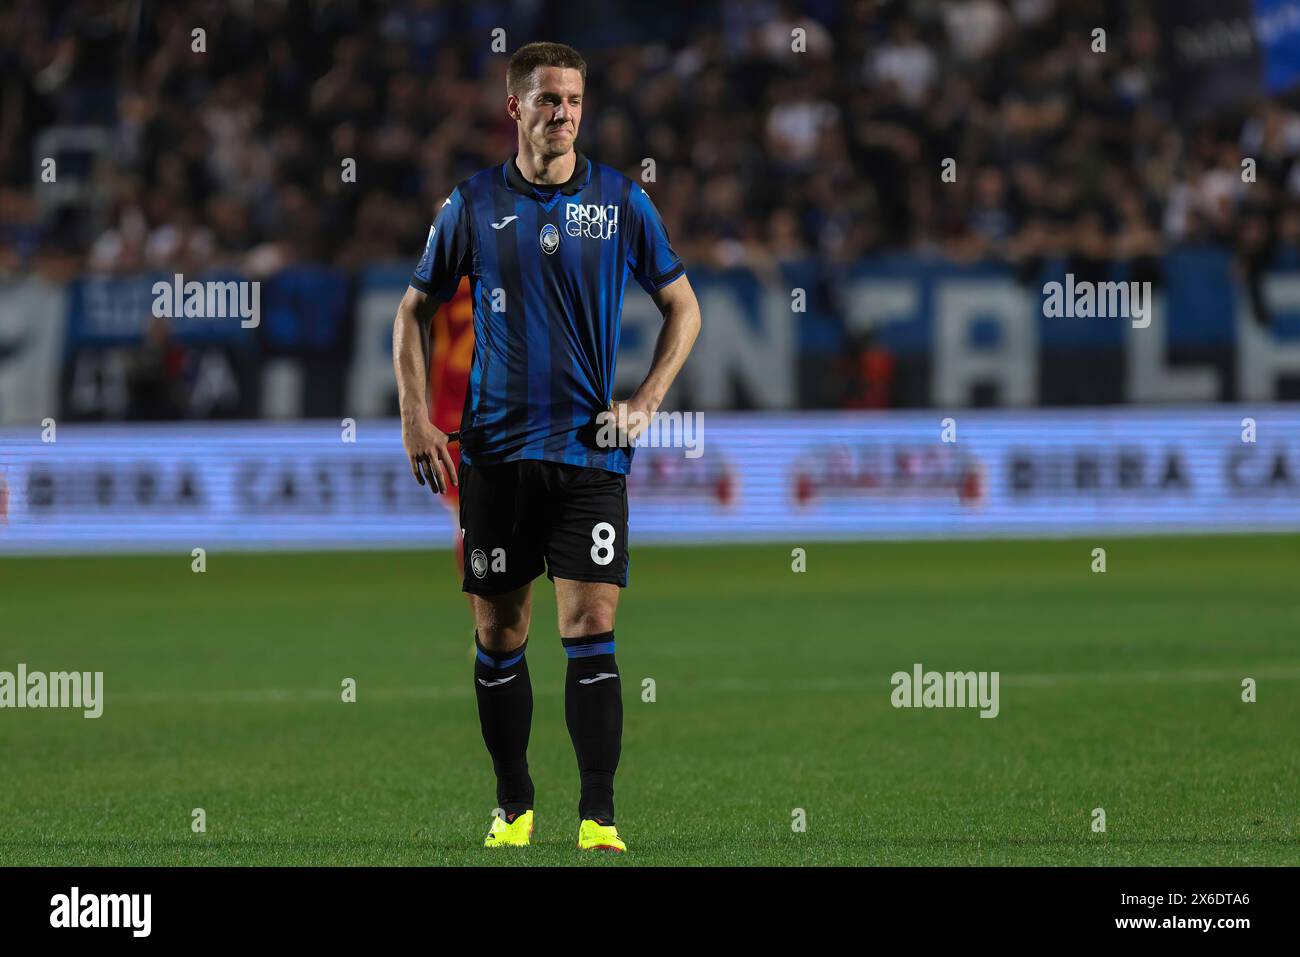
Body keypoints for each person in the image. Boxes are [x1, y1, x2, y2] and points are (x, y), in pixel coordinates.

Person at [391, 42, 701, 853]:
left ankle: (598, 814)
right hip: (494, 454)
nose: (562, 113)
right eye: (546, 100)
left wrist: (645, 401)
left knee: (592, 622)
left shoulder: (622, 200)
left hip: (591, 453)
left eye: (572, 100)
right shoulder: (470, 204)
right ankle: (513, 799)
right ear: (514, 108)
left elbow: (685, 307)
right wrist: (416, 415)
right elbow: (411, 311)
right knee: (499, 634)